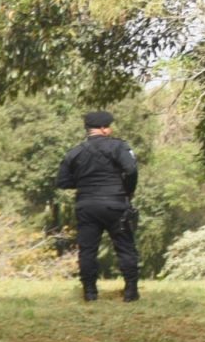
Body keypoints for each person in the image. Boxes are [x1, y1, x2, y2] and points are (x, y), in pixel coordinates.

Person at [57, 109, 143, 302]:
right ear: (104, 128)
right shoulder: (118, 147)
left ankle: (90, 292)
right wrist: (128, 191)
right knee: (125, 247)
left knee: (87, 250)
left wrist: (84, 184)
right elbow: (130, 170)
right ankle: (131, 291)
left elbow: (62, 182)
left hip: (86, 205)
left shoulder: (75, 152)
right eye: (109, 126)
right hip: (115, 203)